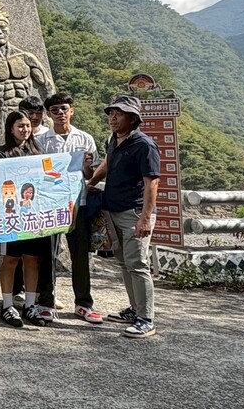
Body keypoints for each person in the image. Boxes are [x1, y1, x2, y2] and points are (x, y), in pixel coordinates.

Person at [87, 95, 160, 339]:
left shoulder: (145, 145)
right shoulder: (113, 140)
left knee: (138, 265)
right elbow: (108, 163)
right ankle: (135, 310)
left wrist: (145, 218)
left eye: (119, 113)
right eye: (111, 113)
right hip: (113, 210)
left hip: (134, 213)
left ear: (133, 118)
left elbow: (152, 183)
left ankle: (146, 319)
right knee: (124, 263)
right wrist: (91, 182)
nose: (113, 117)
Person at [39, 92, 101, 324]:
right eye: (54, 110)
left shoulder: (85, 138)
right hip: (51, 204)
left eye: (64, 109)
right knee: (48, 255)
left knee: (80, 255)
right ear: (48, 114)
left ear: (71, 111)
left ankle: (83, 304)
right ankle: (46, 302)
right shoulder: (42, 141)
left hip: (78, 202)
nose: (60, 113)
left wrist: (87, 166)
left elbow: (90, 175)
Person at [0, 111, 50, 328]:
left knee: (32, 259)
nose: (25, 129)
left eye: (27, 125)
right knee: (10, 259)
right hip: (11, 216)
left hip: (34, 215)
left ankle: (29, 305)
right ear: (10, 128)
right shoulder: (1, 153)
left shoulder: (38, 151)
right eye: (20, 126)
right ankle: (8, 305)